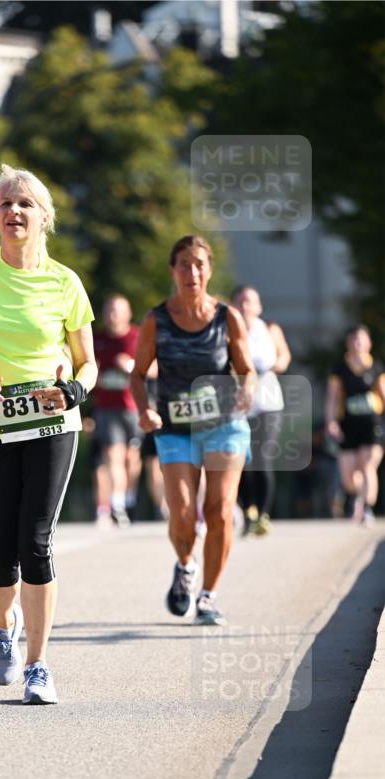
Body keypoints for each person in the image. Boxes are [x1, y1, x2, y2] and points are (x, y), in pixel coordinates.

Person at [0, 164, 96, 704]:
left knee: (36, 542)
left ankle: (38, 665)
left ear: (44, 217)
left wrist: (74, 390)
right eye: (5, 203)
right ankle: (3, 624)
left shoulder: (65, 282)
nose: (13, 211)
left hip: (52, 423)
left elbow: (88, 362)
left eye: (25, 203)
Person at [131, 234, 256, 626]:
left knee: (219, 510)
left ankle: (208, 596)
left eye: (199, 264)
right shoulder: (157, 320)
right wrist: (145, 410)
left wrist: (247, 390)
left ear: (209, 270)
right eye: (184, 264)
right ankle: (186, 564)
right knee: (183, 514)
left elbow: (247, 370)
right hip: (176, 426)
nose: (192, 272)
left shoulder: (227, 317)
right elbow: (137, 375)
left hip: (224, 425)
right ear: (173, 271)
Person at [231, 285, 291, 536]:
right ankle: (248, 511)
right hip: (239, 405)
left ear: (259, 306)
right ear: (234, 305)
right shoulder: (228, 330)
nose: (245, 306)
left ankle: (263, 513)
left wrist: (266, 367)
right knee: (241, 460)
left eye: (250, 301)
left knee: (262, 457)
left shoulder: (270, 329)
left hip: (268, 402)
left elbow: (284, 358)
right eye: (241, 301)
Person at [325, 325, 384, 525]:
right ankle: (359, 496)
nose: (357, 343)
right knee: (348, 478)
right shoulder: (340, 368)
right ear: (348, 343)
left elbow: (383, 394)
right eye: (353, 339)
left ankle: (367, 508)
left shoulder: (376, 367)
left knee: (368, 466)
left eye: (361, 339)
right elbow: (332, 397)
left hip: (372, 424)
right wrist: (331, 421)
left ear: (369, 343)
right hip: (348, 425)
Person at [92, 294, 143, 525]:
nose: (113, 314)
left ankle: (128, 499)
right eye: (109, 310)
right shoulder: (97, 339)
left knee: (132, 458)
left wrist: (130, 366)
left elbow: (155, 369)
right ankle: (117, 505)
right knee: (114, 456)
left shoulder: (138, 336)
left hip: (133, 407)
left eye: (118, 310)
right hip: (106, 407)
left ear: (128, 313)